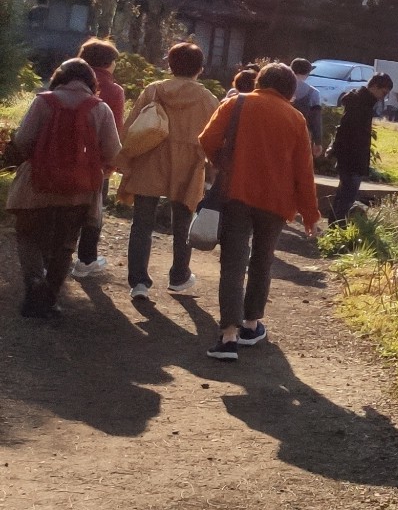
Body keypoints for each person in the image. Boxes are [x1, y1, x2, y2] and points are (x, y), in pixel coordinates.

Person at [197, 63, 321, 361]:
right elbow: (303, 171)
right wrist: (310, 214)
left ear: (259, 82)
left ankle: (228, 336)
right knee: (262, 260)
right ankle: (252, 325)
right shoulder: (296, 118)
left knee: (233, 263)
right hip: (276, 202)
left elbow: (206, 139)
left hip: (237, 193)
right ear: (291, 90)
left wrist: (222, 164)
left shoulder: (237, 103)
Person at [4, 60, 122, 318]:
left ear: (59, 77)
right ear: (92, 83)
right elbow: (113, 151)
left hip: (37, 185)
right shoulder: (100, 108)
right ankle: (51, 297)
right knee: (65, 245)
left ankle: (35, 283)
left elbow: (23, 141)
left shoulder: (43, 101)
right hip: (80, 191)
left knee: (28, 236)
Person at [117, 41, 220, 300]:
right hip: (187, 162)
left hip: (150, 157)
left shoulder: (154, 90)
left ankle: (139, 282)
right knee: (183, 220)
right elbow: (214, 138)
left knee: (141, 222)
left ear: (169, 65)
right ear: (200, 69)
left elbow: (131, 127)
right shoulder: (207, 98)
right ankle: (179, 276)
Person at [71, 37, 126, 277]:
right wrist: (111, 163)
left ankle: (52, 257)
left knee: (60, 208)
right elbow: (114, 129)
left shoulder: (61, 83)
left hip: (58, 156)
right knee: (93, 211)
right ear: (109, 63)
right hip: (95, 162)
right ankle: (86, 260)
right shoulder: (113, 90)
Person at [326, 70, 392, 219]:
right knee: (348, 195)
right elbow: (347, 129)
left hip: (350, 154)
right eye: (383, 92)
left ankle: (334, 224)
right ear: (374, 86)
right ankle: (337, 225)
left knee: (343, 193)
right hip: (353, 156)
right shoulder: (361, 104)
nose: (383, 97)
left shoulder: (359, 101)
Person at [288, 57, 326, 146]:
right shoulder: (313, 93)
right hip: (302, 135)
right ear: (307, 73)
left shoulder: (280, 87)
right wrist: (318, 142)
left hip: (280, 131)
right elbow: (316, 120)